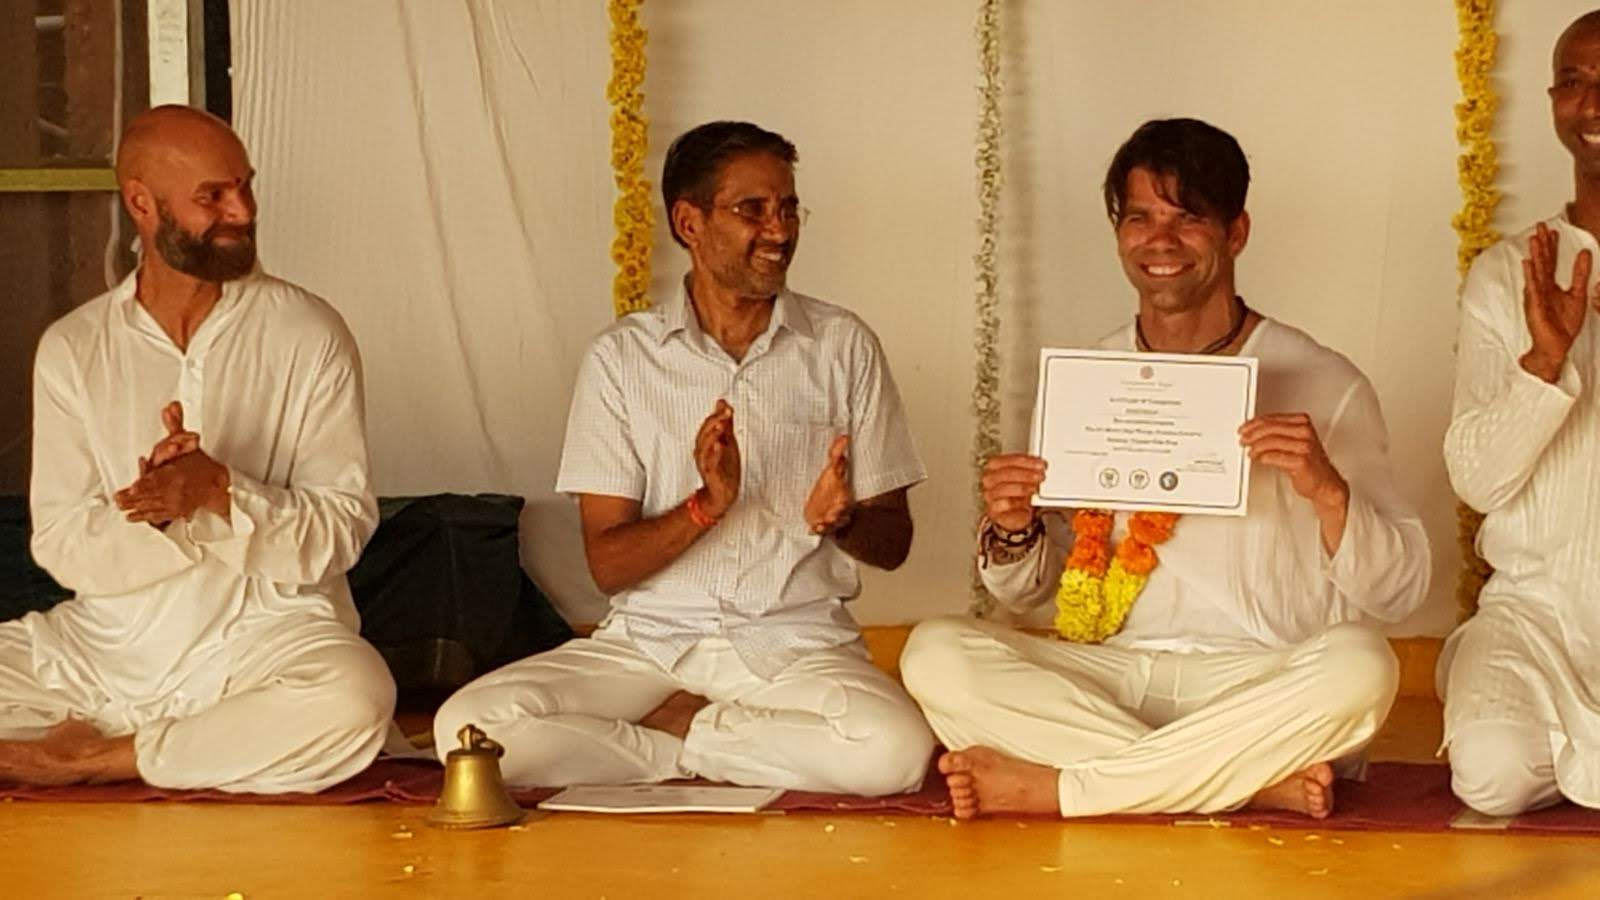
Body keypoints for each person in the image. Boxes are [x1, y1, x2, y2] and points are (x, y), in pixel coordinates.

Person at [900, 118, 1430, 820]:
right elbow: (1037, 592)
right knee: (935, 654)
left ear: (1236, 232)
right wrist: (1013, 528)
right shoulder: (1088, 381)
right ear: (1119, 231)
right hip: (1117, 677)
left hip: (1258, 676)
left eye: (1188, 219)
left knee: (1363, 668)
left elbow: (1400, 592)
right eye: (1140, 218)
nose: (1161, 241)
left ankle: (1068, 787)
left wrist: (1328, 492)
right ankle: (1236, 784)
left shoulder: (1325, 382)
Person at [434, 121, 934, 795]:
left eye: (787, 208)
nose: (780, 230)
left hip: (793, 644)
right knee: (467, 728)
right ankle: (697, 746)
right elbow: (608, 566)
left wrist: (840, 521)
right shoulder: (621, 359)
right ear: (688, 222)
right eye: (751, 209)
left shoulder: (842, 346)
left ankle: (685, 736)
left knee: (895, 753)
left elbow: (893, 542)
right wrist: (707, 506)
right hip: (646, 648)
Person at [0, 106, 394, 792]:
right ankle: (181, 744)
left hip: (265, 644)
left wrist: (221, 494)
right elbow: (60, 544)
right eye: (213, 196)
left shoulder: (309, 333)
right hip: (106, 653)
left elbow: (340, 530)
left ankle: (102, 757)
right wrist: (161, 515)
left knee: (353, 698)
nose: (241, 211)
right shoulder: (74, 347)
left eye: (244, 186)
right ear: (142, 205)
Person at [1438, 11, 1600, 817]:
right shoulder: (1508, 275)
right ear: (1552, 102)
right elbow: (1476, 480)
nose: (1593, 103)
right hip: (1535, 613)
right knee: (1492, 775)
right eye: (1573, 82)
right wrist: (1545, 363)